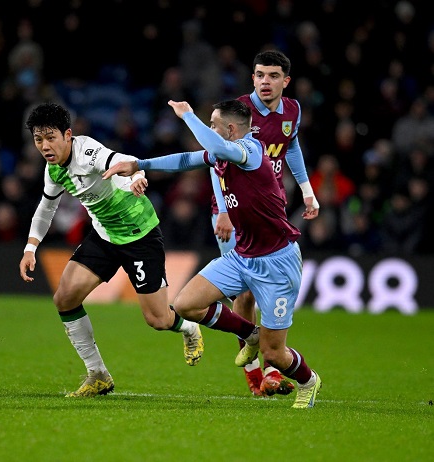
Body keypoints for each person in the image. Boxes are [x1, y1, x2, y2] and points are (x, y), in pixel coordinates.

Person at [19, 102, 259, 398]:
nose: (44, 146)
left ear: (68, 135)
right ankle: (98, 374)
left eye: (50, 137)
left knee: (157, 319)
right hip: (105, 236)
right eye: (38, 139)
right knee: (65, 297)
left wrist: (136, 177)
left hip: (140, 235)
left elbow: (119, 160)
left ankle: (188, 328)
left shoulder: (87, 152)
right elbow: (46, 207)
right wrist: (31, 247)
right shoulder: (53, 170)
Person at [103, 99, 322, 409]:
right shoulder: (222, 154)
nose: (208, 129)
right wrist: (139, 164)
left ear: (230, 130)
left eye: (213, 124)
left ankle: (309, 381)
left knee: (275, 354)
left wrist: (187, 115)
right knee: (185, 305)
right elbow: (185, 159)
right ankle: (251, 334)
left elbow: (210, 145)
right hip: (242, 255)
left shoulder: (250, 151)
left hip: (277, 262)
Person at [211, 50, 320, 397]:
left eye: (273, 76)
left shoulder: (293, 111)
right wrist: (223, 211)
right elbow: (213, 158)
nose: (265, 82)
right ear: (252, 78)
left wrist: (307, 191)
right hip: (232, 207)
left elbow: (292, 147)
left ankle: (270, 369)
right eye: (259, 75)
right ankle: (256, 373)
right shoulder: (239, 112)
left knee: (264, 289)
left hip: (268, 205)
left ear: (285, 81)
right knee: (244, 292)